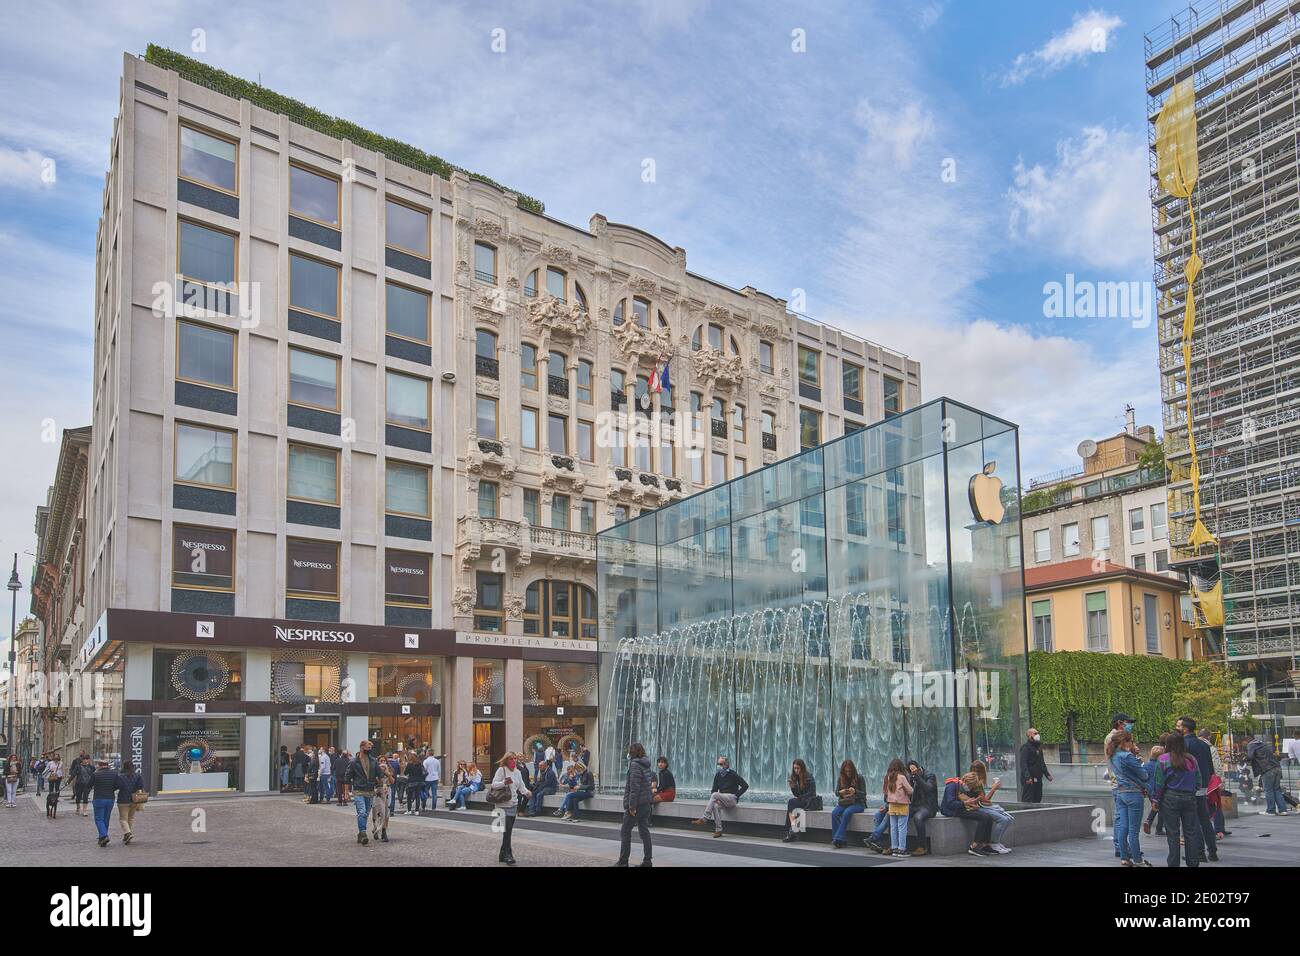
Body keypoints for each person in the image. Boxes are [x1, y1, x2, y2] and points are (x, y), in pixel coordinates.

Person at [1153, 731, 1203, 868]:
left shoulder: (1163, 759)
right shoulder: (1191, 759)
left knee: (1173, 834)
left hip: (1170, 798)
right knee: (1190, 833)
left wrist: (1156, 800)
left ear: (1168, 744)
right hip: (1189, 798)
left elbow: (1159, 783)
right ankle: (1193, 863)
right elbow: (1199, 781)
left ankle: (1173, 863)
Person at [1176, 717, 1219, 861]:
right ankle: (1212, 851)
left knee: (1193, 821)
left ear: (1185, 729)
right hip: (1204, 785)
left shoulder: (1183, 744)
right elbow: (1210, 767)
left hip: (1190, 786)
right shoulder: (1204, 745)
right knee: (1205, 819)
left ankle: (1199, 852)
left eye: (1178, 726)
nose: (1176, 728)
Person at [1107, 730, 1150, 867]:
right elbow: (1144, 775)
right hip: (1133, 793)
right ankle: (1138, 860)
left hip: (1121, 793)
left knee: (1123, 827)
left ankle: (1124, 857)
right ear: (1124, 742)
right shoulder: (1127, 756)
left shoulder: (1113, 756)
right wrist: (1138, 760)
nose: (1132, 743)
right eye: (1131, 741)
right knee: (1133, 829)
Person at [615, 742, 654, 867]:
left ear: (632, 752)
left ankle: (623, 862)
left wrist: (631, 806)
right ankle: (647, 861)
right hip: (646, 803)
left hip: (637, 805)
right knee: (644, 831)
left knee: (625, 832)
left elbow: (634, 787)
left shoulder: (635, 764)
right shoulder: (645, 763)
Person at [691, 756, 749, 838]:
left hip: (732, 798)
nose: (719, 766)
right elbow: (713, 789)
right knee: (715, 806)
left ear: (727, 764)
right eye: (718, 764)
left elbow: (745, 785)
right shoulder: (717, 775)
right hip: (722, 799)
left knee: (715, 794)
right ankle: (718, 830)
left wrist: (736, 796)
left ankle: (704, 818)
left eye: (721, 764)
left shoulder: (733, 774)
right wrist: (717, 799)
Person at [489, 753, 531, 865]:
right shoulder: (501, 770)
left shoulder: (517, 772)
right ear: (506, 760)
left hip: (513, 804)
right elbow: (493, 785)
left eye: (514, 759)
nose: (513, 760)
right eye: (511, 759)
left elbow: (521, 786)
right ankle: (508, 854)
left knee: (508, 831)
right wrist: (504, 782)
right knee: (507, 831)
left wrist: (527, 792)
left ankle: (502, 853)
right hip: (502, 804)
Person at [941, 771, 996, 856]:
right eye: (970, 786)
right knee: (983, 817)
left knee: (989, 817)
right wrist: (965, 803)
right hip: (952, 811)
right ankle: (974, 846)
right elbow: (950, 803)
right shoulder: (952, 785)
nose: (970, 789)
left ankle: (985, 844)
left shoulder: (961, 786)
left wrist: (972, 805)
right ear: (966, 782)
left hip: (961, 807)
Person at [967, 760, 1015, 854]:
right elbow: (983, 800)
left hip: (979, 806)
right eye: (976, 770)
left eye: (978, 770)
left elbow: (983, 800)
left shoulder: (975, 780)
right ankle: (994, 843)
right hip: (977, 807)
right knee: (1003, 820)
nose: (976, 772)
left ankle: (995, 843)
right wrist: (994, 788)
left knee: (1008, 819)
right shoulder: (975, 781)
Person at [346, 739, 383, 845]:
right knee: (362, 812)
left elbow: (379, 774)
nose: (370, 750)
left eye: (371, 748)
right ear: (362, 747)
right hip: (358, 790)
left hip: (370, 790)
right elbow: (347, 777)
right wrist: (346, 792)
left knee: (365, 814)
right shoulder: (353, 761)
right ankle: (363, 833)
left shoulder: (373, 760)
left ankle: (360, 834)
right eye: (368, 748)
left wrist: (383, 779)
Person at [828, 759, 866, 849]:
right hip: (844, 803)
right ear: (843, 771)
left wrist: (855, 791)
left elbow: (864, 794)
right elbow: (836, 792)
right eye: (846, 771)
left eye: (849, 771)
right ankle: (840, 839)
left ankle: (837, 838)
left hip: (858, 803)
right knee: (834, 813)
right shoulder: (841, 779)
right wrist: (841, 792)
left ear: (853, 770)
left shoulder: (860, 778)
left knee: (847, 813)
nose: (848, 772)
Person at [1246, 734, 1288, 816]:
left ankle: (1271, 810)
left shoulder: (1251, 744)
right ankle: (1283, 810)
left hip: (1267, 769)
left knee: (1269, 790)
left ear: (1247, 739)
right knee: (1277, 789)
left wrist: (1244, 758)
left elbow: (1250, 757)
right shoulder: (1263, 744)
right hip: (1277, 767)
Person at [904, 760, 938, 856]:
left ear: (918, 768)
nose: (913, 773)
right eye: (910, 772)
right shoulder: (911, 778)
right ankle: (899, 846)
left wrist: (918, 778)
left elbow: (928, 788)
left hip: (928, 806)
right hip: (915, 806)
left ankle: (922, 847)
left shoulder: (930, 775)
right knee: (898, 814)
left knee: (918, 817)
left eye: (914, 770)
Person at [883, 758, 914, 858]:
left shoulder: (889, 777)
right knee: (902, 827)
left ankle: (894, 848)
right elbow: (910, 791)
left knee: (893, 827)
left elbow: (887, 792)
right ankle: (902, 849)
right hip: (902, 804)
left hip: (892, 805)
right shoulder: (901, 777)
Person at [783, 758, 818, 843]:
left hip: (810, 801)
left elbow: (812, 793)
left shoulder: (809, 777)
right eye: (794, 768)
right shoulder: (796, 778)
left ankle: (791, 830)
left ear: (802, 768)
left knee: (791, 802)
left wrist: (800, 797)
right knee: (792, 803)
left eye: (798, 768)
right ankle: (792, 830)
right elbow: (797, 794)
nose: (796, 770)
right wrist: (793, 787)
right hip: (803, 800)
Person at [90, 759, 120, 847]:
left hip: (99, 798)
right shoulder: (114, 774)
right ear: (108, 765)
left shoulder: (95, 774)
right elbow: (119, 785)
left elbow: (89, 785)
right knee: (106, 818)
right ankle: (102, 838)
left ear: (99, 765)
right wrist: (111, 789)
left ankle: (104, 835)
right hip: (110, 798)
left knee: (99, 819)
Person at [115, 759, 145, 845]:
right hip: (134, 799)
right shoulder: (137, 775)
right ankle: (127, 834)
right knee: (130, 818)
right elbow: (140, 786)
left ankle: (128, 833)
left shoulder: (120, 776)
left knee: (123, 819)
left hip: (123, 800)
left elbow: (117, 786)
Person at [1018, 728, 1052, 803]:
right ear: (1030, 735)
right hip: (1029, 779)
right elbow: (1023, 764)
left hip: (1038, 777)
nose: (1037, 735)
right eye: (1035, 733)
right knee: (1028, 798)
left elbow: (1041, 763)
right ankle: (1027, 813)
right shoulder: (1026, 747)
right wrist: (1028, 777)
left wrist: (1047, 774)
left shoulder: (1038, 747)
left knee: (1038, 797)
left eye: (1037, 733)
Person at [1141, 745, 1165, 836]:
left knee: (1156, 807)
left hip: (1150, 791)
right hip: (1159, 791)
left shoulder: (1146, 765)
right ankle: (1158, 828)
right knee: (1161, 809)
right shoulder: (1161, 765)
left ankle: (1149, 822)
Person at [371, 762, 393, 843]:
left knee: (387, 813)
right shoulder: (375, 773)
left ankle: (383, 831)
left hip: (387, 793)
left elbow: (392, 781)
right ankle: (377, 828)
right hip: (378, 793)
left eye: (384, 761)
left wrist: (388, 774)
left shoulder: (388, 773)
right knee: (380, 812)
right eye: (380, 761)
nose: (382, 765)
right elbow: (373, 783)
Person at [72, 752, 95, 817]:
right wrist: (68, 781)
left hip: (87, 784)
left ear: (89, 760)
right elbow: (73, 774)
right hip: (79, 784)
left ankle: (85, 810)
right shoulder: (78, 766)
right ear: (82, 760)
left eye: (87, 759)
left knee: (85, 797)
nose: (86, 760)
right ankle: (78, 807)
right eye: (84, 759)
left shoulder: (91, 767)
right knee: (78, 797)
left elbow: (94, 774)